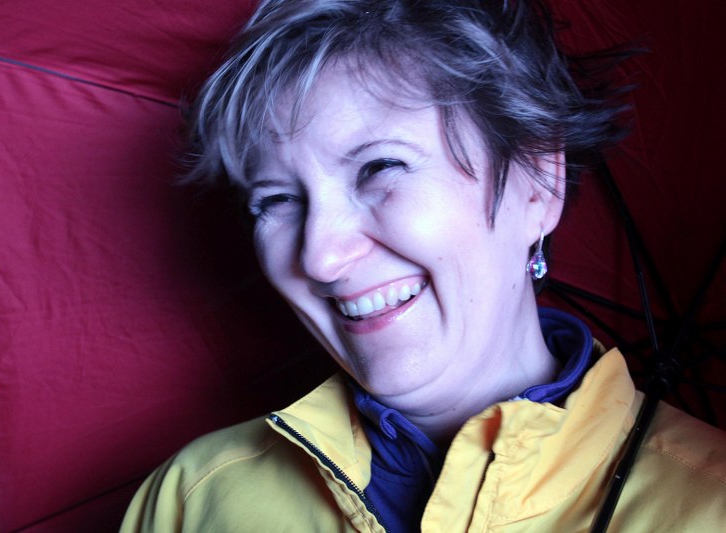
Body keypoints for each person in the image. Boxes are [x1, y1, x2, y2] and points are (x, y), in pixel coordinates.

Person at [121, 0, 726, 531]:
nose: (319, 257)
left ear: (539, 183)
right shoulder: (193, 499)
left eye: (380, 168)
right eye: (276, 201)